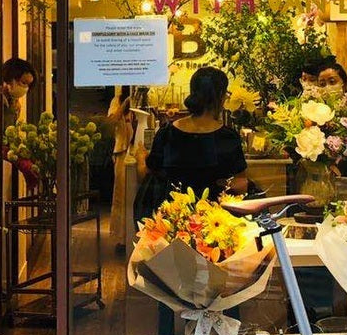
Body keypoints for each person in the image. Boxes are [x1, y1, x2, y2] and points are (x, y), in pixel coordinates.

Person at [134, 66, 250, 215]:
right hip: (215, 221)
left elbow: (147, 175)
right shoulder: (227, 137)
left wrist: (141, 157)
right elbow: (241, 185)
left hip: (174, 219)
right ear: (221, 97)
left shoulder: (167, 133)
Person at [107, 87, 133, 253]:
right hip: (123, 152)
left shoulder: (146, 97)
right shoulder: (117, 100)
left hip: (140, 150)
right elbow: (110, 122)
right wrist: (124, 105)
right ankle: (122, 238)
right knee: (122, 196)